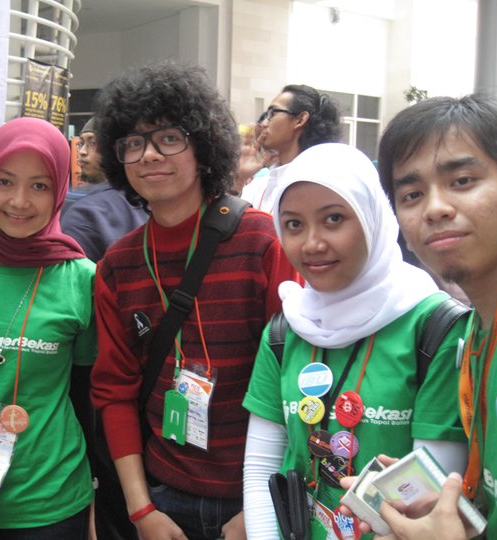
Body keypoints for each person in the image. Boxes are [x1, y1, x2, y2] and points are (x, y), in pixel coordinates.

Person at [89, 60, 299, 540]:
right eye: (133, 143)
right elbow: (115, 391)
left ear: (203, 145)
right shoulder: (118, 266)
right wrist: (142, 510)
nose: (149, 155)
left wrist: (265, 503)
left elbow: (296, 381)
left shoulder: (263, 242)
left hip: (254, 498)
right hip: (162, 496)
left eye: (168, 138)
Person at [242, 143, 467, 539]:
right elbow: (261, 467)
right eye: (293, 224)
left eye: (333, 219)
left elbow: (430, 499)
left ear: (372, 218)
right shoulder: (284, 331)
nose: (312, 243)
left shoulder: (434, 328)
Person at [340, 95, 497, 539]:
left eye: (462, 181)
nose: (435, 208)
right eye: (412, 195)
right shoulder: (474, 333)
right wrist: (461, 517)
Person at [0, 116, 96, 537]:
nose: (19, 201)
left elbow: (88, 391)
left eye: (39, 185)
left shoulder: (82, 279)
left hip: (51, 499)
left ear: (60, 190)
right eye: (4, 181)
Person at [61, 117, 148, 262]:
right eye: (81, 143)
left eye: (93, 143)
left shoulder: (84, 212)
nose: (82, 151)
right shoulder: (144, 198)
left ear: (115, 149)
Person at [246, 84, 341, 213]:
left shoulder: (322, 187)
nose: (263, 124)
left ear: (300, 120)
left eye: (272, 113)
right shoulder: (259, 186)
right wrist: (239, 179)